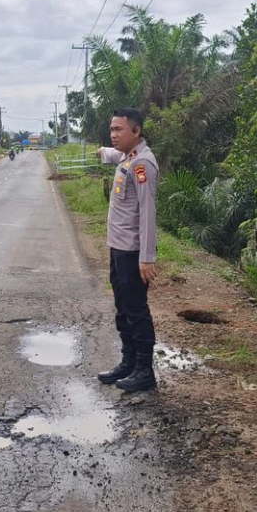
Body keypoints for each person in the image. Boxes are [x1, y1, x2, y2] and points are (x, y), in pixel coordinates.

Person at [94, 107, 160, 393]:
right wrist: (101, 150)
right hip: (118, 249)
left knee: (136, 309)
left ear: (137, 131)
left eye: (119, 129)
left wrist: (147, 258)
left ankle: (144, 371)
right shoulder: (127, 157)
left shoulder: (143, 165)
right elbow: (112, 154)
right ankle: (128, 362)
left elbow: (147, 214)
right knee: (122, 307)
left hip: (133, 252)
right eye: (112, 129)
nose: (113, 134)